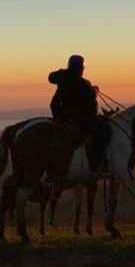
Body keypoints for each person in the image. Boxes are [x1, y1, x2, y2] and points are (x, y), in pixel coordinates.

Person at [47, 55, 108, 183]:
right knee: (102, 131)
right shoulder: (83, 83)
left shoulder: (63, 78)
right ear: (79, 67)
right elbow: (89, 99)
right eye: (81, 67)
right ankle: (96, 166)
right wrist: (94, 91)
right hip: (78, 119)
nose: (83, 69)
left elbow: (51, 77)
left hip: (62, 115)